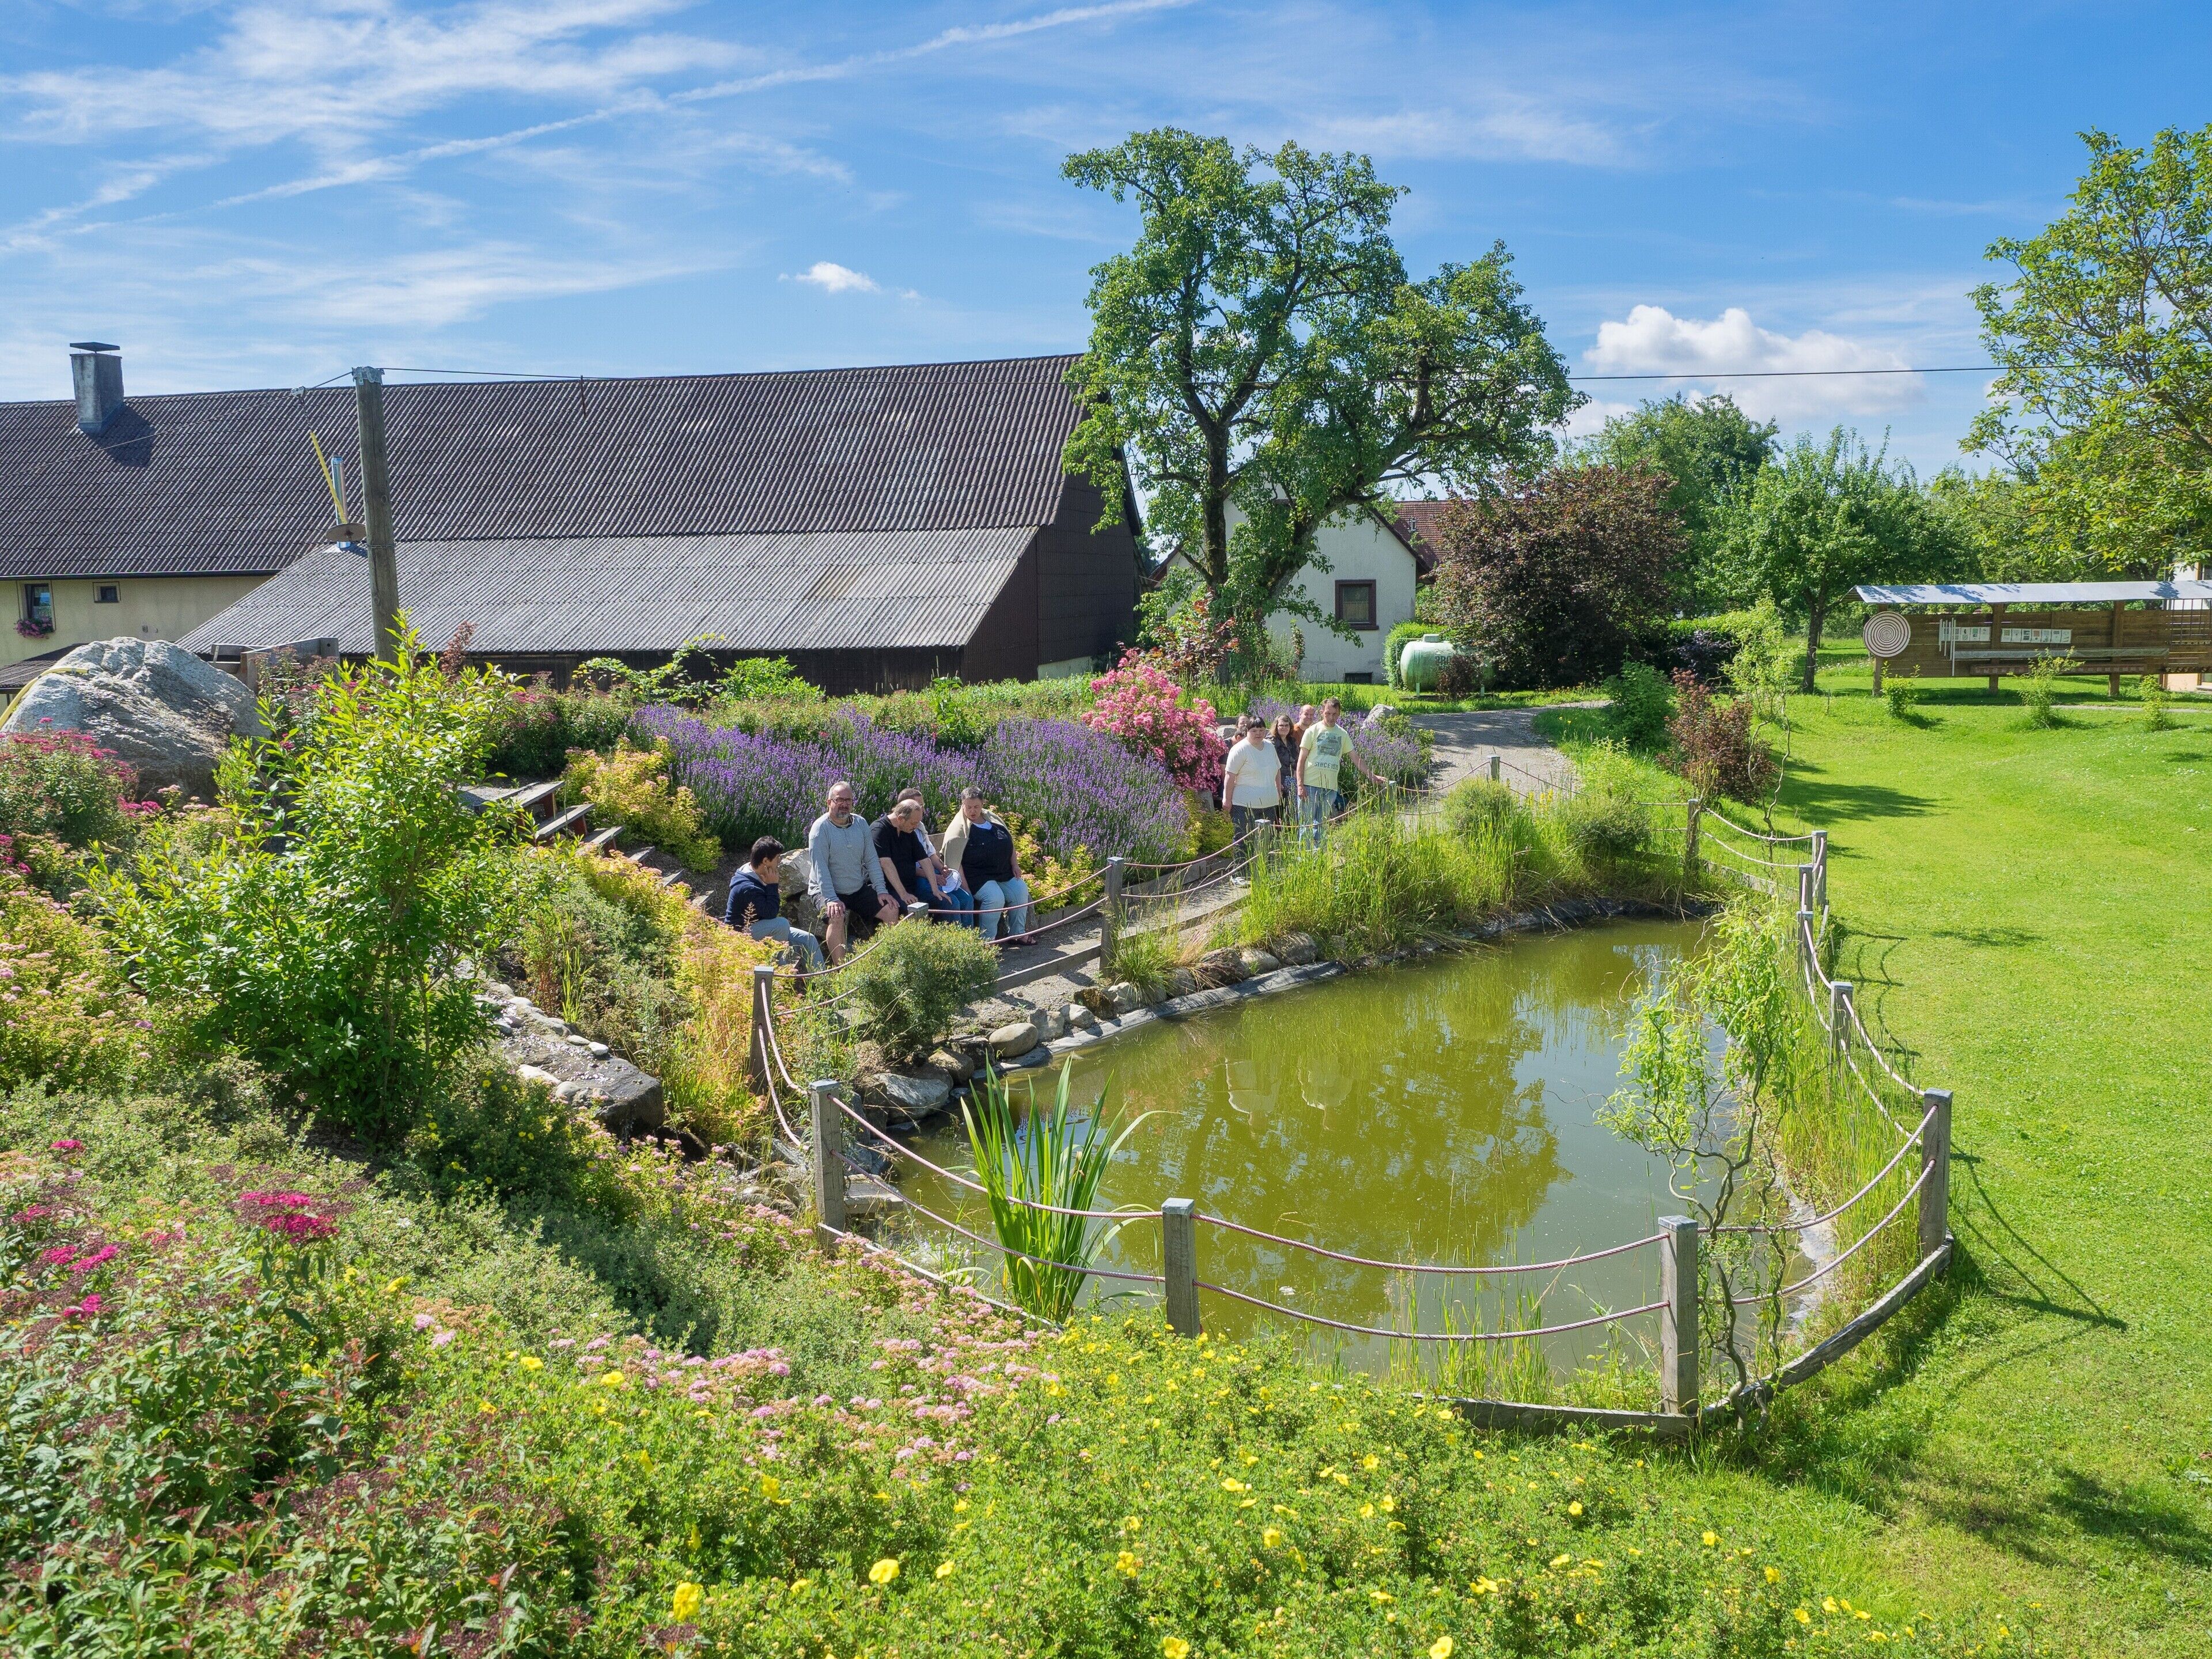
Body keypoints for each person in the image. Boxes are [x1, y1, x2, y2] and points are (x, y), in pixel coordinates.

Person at [806, 779, 897, 963]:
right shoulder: (820, 829)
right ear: (829, 802)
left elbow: (872, 859)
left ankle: (888, 962)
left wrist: (881, 890)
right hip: (826, 890)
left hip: (856, 888)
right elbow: (820, 868)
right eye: (840, 800)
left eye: (848, 800)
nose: (845, 804)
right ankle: (841, 971)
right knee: (836, 916)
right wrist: (831, 899)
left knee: (891, 910)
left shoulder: (861, 823)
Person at [724, 835, 826, 971]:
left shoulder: (757, 873)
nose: (780, 860)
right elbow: (771, 913)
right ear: (765, 861)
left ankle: (821, 981)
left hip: (760, 926)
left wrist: (770, 887)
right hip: (740, 933)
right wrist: (772, 886)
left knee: (809, 939)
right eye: (778, 857)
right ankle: (779, 969)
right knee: (781, 924)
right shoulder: (747, 887)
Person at [941, 787, 1030, 942]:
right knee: (995, 898)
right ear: (963, 805)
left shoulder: (992, 818)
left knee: (1020, 890)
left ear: (983, 804)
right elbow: (955, 863)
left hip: (1003, 872)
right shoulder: (958, 829)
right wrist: (966, 889)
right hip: (977, 876)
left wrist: (1015, 865)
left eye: (976, 807)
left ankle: (1018, 933)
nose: (973, 811)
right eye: (969, 807)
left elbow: (1009, 841)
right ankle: (988, 942)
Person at [1295, 697, 1378, 849]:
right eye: (1328, 714)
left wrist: (1372, 776)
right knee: (1305, 826)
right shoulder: (1312, 731)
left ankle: (1318, 858)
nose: (1331, 717)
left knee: (1321, 826)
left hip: (1330, 789)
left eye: (1334, 714)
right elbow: (1301, 760)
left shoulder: (1343, 734)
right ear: (1322, 713)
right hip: (1309, 785)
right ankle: (1304, 861)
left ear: (1339, 714)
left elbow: (1355, 758)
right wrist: (1300, 785)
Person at [898, 786, 975, 926]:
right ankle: (954, 942)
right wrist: (933, 877)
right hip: (917, 878)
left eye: (922, 805)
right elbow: (906, 867)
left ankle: (968, 940)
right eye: (918, 806)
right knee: (951, 902)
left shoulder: (920, 827)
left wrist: (942, 869)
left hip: (931, 873)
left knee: (967, 899)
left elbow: (931, 854)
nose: (921, 809)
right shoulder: (903, 830)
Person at [1219, 714, 1281, 872]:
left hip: (1268, 803)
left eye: (1261, 730)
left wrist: (1278, 791)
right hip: (1243, 804)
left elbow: (1277, 770)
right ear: (1247, 730)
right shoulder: (1239, 749)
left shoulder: (1270, 747)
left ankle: (1262, 870)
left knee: (1267, 839)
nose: (1258, 734)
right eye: (1254, 730)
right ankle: (1239, 873)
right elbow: (1230, 776)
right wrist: (1227, 799)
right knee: (1242, 839)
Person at [872, 797, 936, 919]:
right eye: (913, 823)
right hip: (889, 889)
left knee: (942, 902)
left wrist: (935, 890)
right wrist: (904, 894)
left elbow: (925, 860)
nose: (916, 827)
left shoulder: (908, 830)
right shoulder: (879, 830)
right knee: (914, 911)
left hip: (911, 886)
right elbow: (886, 864)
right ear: (900, 819)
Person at [1270, 712, 1300, 804]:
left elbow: (1297, 760)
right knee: (1293, 785)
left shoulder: (1291, 741)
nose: (1284, 728)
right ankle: (1294, 816)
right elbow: (1271, 763)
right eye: (1281, 725)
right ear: (1276, 727)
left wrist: (1296, 773)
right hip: (1279, 777)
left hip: (1292, 775)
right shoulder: (1272, 742)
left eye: (1287, 725)